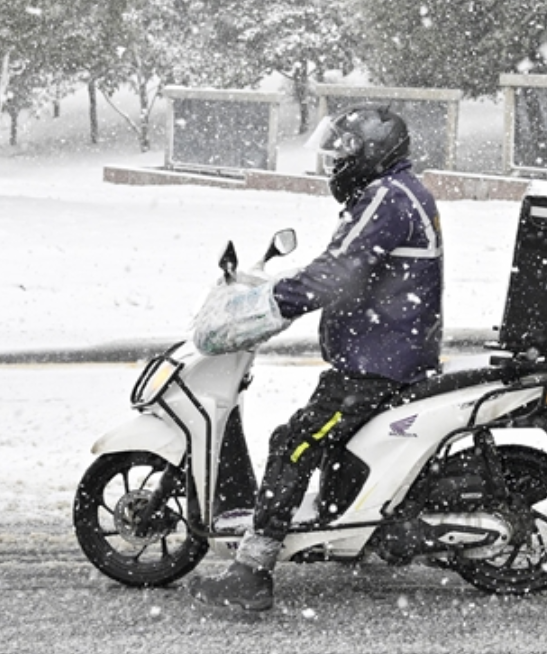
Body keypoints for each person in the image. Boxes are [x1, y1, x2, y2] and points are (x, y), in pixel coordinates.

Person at [188, 104, 444, 611]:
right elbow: (344, 264)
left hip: (378, 365)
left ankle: (252, 571)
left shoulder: (387, 197)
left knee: (293, 444)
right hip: (386, 354)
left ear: (371, 153)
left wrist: (271, 304)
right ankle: (351, 530)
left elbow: (338, 272)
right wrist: (285, 286)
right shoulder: (396, 191)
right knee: (327, 442)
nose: (335, 165)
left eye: (343, 154)